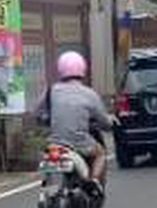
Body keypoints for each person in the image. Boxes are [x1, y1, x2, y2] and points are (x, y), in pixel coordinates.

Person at [36, 50, 114, 191]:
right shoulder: (89, 94)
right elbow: (104, 121)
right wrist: (110, 122)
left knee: (47, 159)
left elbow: (38, 113)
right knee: (100, 153)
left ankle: (48, 190)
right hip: (80, 144)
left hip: (55, 143)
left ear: (60, 69)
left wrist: (45, 120)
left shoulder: (51, 91)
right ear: (82, 69)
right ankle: (94, 181)